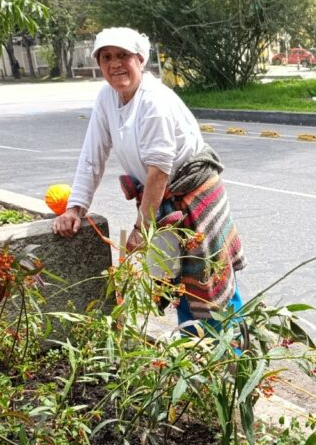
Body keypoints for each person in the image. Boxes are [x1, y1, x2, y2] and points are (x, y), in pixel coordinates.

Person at [54, 27, 245, 330]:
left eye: (123, 56)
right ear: (99, 64)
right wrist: (75, 207)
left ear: (140, 60)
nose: (115, 64)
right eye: (106, 57)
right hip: (161, 204)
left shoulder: (155, 101)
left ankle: (235, 362)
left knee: (211, 284)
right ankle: (195, 358)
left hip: (191, 196)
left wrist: (141, 230)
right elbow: (92, 155)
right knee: (178, 282)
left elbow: (159, 173)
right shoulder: (107, 98)